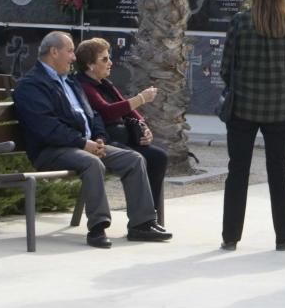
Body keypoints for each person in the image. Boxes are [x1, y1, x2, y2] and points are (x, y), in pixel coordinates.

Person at [13, 31, 171, 248]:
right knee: (92, 162)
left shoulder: (69, 82)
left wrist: (98, 138)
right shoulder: (30, 85)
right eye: (70, 51)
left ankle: (141, 224)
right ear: (54, 52)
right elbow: (47, 127)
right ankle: (97, 228)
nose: (73, 57)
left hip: (84, 144)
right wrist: (82, 143)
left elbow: (93, 115)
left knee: (133, 159)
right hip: (53, 149)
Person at [220, 0, 285, 252]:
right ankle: (284, 236)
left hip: (242, 107)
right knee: (279, 174)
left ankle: (230, 236)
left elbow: (225, 67)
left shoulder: (240, 22)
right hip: (279, 109)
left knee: (237, 171)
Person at [74, 38, 167, 216]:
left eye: (109, 58)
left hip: (125, 139)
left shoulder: (105, 84)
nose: (110, 63)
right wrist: (141, 99)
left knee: (158, 157)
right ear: (90, 65)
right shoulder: (84, 86)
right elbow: (107, 111)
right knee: (137, 158)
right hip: (106, 142)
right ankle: (141, 217)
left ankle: (151, 213)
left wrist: (143, 127)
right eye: (104, 59)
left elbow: (126, 109)